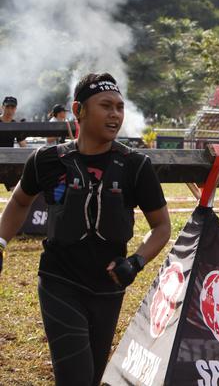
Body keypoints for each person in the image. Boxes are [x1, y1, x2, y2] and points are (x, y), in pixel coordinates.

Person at [0, 73, 171, 386]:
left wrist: (136, 262)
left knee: (91, 378)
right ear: (79, 109)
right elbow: (20, 201)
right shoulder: (46, 161)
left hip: (109, 287)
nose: (115, 114)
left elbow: (161, 227)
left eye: (119, 107)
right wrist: (0, 242)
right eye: (105, 106)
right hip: (59, 282)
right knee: (75, 378)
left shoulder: (135, 166)